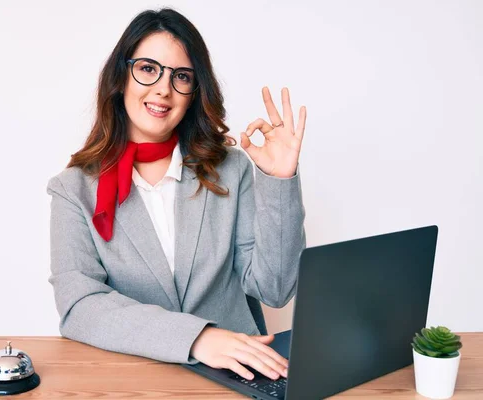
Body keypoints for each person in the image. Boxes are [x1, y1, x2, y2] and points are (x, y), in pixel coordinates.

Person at [46, 7, 307, 382]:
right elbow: (79, 306)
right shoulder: (72, 189)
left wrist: (279, 181)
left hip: (241, 379)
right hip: (132, 380)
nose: (163, 89)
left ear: (194, 92)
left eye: (181, 76)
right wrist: (196, 338)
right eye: (148, 69)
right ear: (121, 77)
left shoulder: (231, 168)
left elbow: (276, 290)